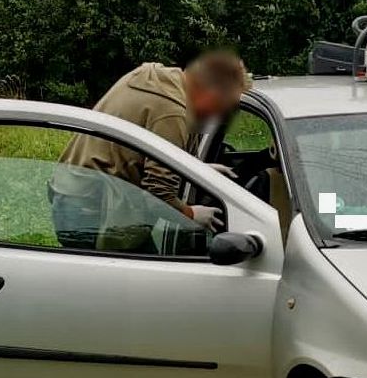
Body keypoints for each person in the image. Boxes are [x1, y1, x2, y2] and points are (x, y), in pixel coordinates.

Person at [50, 51, 250, 252]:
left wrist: (197, 169)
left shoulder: (160, 79)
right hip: (90, 209)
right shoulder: (173, 112)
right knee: (115, 277)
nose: (222, 115)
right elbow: (157, 194)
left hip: (74, 193)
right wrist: (191, 214)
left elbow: (147, 148)